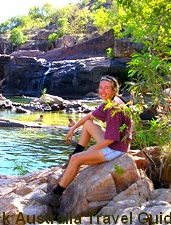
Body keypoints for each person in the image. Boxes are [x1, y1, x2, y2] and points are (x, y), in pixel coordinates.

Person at [34, 75, 132, 207]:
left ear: (114, 89)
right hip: (116, 143)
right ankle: (73, 157)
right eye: (101, 87)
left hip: (116, 149)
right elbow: (89, 116)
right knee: (88, 124)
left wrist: (93, 149)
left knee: (77, 159)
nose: (102, 91)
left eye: (106, 88)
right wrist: (73, 128)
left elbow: (110, 140)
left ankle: (55, 196)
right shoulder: (110, 101)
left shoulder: (114, 107)